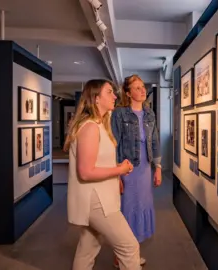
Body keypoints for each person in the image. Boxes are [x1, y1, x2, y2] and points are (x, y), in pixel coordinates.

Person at [64, 79, 142, 270]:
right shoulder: (90, 127)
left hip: (100, 197)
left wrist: (115, 167)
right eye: (109, 92)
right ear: (96, 98)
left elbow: (94, 163)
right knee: (129, 246)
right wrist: (119, 170)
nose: (115, 96)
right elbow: (86, 172)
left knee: (88, 248)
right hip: (98, 201)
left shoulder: (98, 125)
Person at [111, 74, 162, 268]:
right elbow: (114, 144)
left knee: (141, 208)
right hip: (128, 168)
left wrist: (157, 168)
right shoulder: (119, 114)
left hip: (145, 169)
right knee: (127, 210)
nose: (142, 90)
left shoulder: (149, 114)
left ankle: (131, 254)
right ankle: (121, 256)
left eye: (143, 87)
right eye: (137, 87)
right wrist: (117, 174)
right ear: (128, 93)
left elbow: (155, 142)